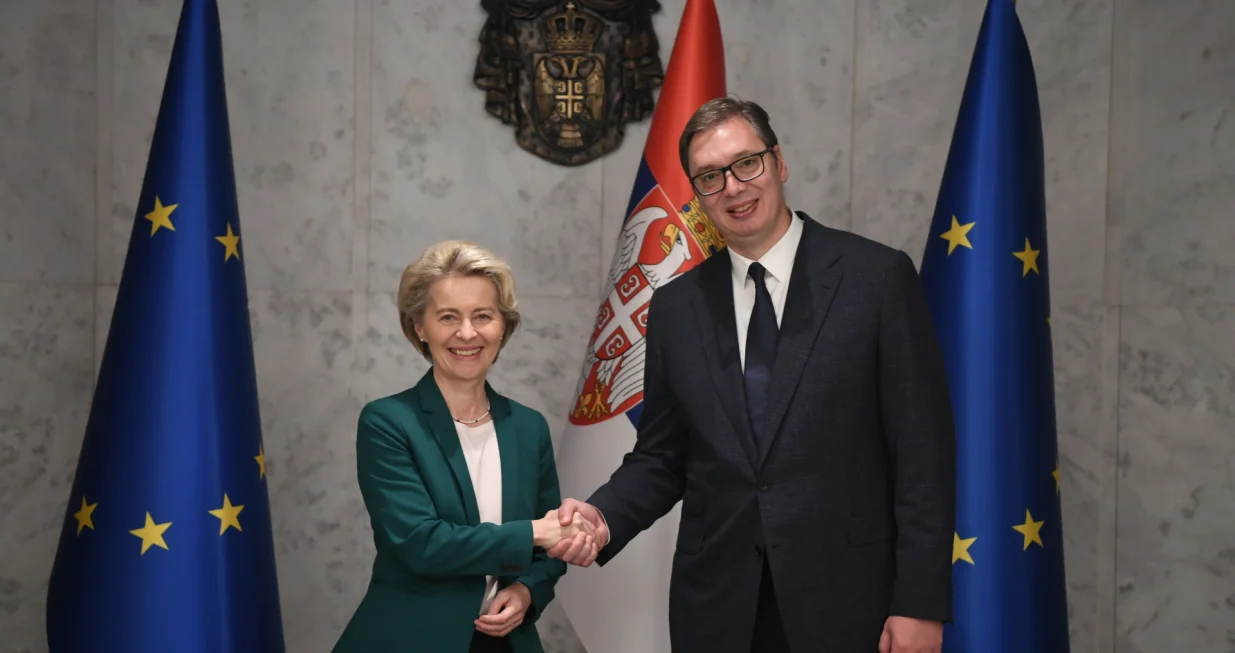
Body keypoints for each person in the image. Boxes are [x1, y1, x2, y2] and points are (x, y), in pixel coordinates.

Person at [548, 98, 957, 653]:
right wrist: (601, 514)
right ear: (696, 195)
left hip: (849, 603)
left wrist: (920, 604)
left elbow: (922, 454)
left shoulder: (876, 279)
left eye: (747, 163)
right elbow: (663, 455)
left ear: (779, 162)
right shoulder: (675, 307)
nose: (734, 188)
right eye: (711, 177)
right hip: (718, 609)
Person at [334, 241, 593, 653]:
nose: (467, 333)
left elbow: (550, 549)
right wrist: (535, 532)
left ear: (502, 326)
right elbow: (420, 545)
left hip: (506, 642)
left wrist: (527, 592)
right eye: (448, 317)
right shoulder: (387, 422)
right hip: (410, 639)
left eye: (483, 316)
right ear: (420, 327)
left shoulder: (529, 427)